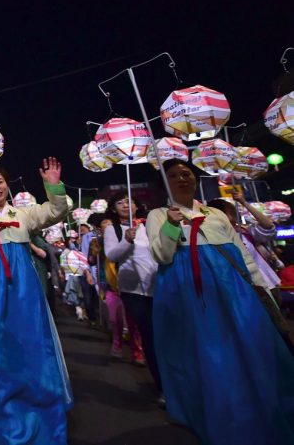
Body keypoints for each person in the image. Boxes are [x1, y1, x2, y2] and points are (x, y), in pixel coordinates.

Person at [146, 160, 294, 445]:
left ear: (196, 179)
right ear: (164, 183)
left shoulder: (216, 214)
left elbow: (241, 254)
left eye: (187, 174)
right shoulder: (158, 215)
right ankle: (219, 414)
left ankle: (260, 406)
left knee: (250, 347)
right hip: (191, 295)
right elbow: (162, 256)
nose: (181, 179)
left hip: (233, 292)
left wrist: (259, 287)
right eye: (173, 175)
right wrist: (172, 226)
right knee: (210, 354)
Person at [0, 158, 73, 445]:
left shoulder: (23, 213)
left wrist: (53, 184)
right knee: (2, 349)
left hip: (24, 287)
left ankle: (42, 409)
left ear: (7, 185)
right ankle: (8, 416)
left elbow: (58, 210)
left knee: (33, 343)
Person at [102, 192, 160, 389]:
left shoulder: (150, 225)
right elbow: (112, 255)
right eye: (120, 202)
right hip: (132, 289)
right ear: (113, 208)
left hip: (157, 284)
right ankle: (161, 384)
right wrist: (126, 240)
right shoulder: (113, 229)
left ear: (137, 206)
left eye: (129, 201)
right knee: (149, 335)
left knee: (163, 333)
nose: (126, 205)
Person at [208, 190, 282, 303]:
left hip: (267, 285)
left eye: (229, 211)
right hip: (241, 291)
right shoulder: (212, 237)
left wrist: (244, 202)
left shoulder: (244, 231)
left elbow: (268, 226)